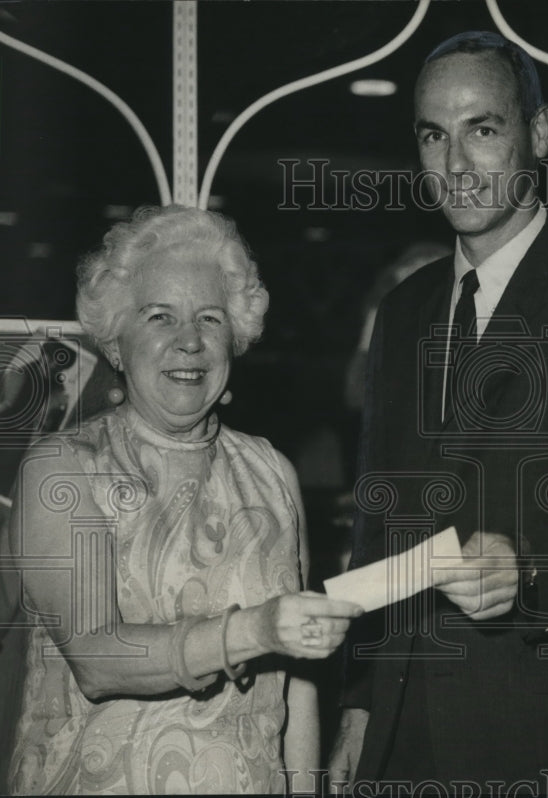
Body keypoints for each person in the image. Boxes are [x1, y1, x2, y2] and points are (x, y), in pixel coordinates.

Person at [330, 31, 548, 791]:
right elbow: (375, 524)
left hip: (542, 732)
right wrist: (357, 704)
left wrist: (526, 568)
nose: (455, 166)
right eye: (434, 135)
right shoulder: (401, 312)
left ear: (540, 133)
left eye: (482, 129)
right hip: (398, 731)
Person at [2, 205, 363, 795]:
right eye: (160, 317)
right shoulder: (64, 470)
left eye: (210, 319)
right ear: (117, 341)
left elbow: (298, 678)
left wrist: (305, 786)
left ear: (236, 336)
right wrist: (258, 630)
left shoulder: (271, 471)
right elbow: (97, 657)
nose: (189, 342)